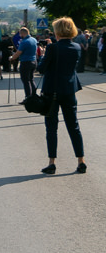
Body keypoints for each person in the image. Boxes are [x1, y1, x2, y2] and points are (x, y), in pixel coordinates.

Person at [39, 17, 87, 175]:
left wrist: (46, 52)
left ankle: (52, 163)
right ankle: (81, 161)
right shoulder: (76, 47)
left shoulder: (53, 48)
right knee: (73, 126)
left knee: (51, 128)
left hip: (52, 91)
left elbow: (41, 69)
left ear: (57, 31)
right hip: (69, 90)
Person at [9, 27, 38, 99]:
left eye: (20, 34)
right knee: (31, 79)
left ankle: (28, 97)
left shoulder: (24, 42)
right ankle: (34, 95)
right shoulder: (34, 40)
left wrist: (11, 58)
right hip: (34, 61)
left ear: (22, 33)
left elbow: (18, 53)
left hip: (25, 62)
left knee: (26, 80)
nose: (19, 35)